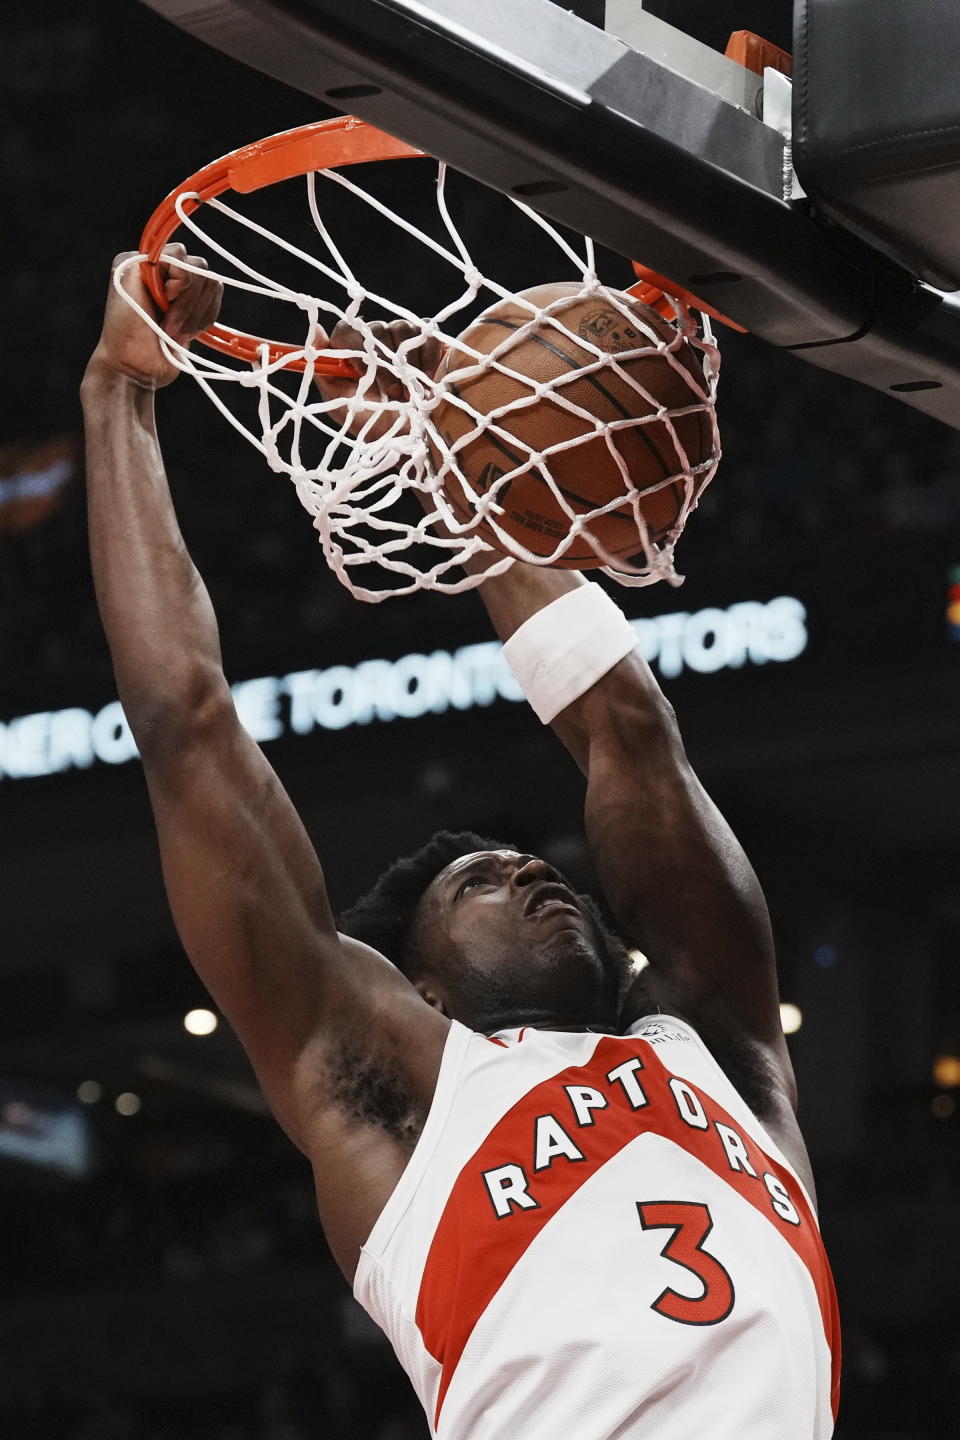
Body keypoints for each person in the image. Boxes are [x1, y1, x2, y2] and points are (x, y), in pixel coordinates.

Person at [82, 246, 841, 1440]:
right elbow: (187, 726)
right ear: (418, 985)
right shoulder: (400, 1096)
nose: (534, 867)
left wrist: (470, 457)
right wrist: (118, 396)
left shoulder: (726, 1055)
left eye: (532, 866)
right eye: (476, 883)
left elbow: (628, 733)